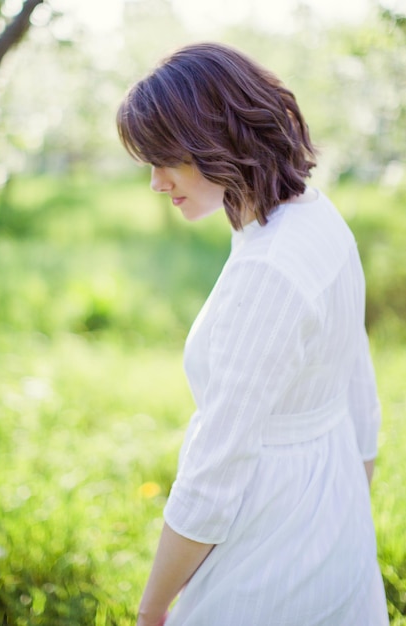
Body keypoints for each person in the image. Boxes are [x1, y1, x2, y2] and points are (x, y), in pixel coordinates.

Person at [116, 42, 388, 626]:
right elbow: (358, 389)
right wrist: (348, 513)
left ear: (218, 141)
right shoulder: (316, 216)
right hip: (332, 515)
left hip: (270, 548)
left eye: (166, 160)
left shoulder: (270, 270)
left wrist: (153, 607)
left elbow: (215, 472)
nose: (156, 183)